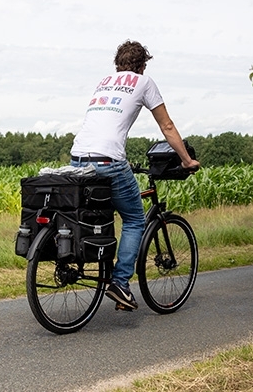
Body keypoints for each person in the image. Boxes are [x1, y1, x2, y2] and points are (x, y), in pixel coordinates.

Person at [69, 40, 200, 311]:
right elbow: (167, 125)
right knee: (134, 220)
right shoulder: (144, 82)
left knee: (99, 213)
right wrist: (186, 160)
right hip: (108, 160)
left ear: (118, 63)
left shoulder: (105, 81)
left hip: (78, 158)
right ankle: (119, 283)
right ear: (142, 65)